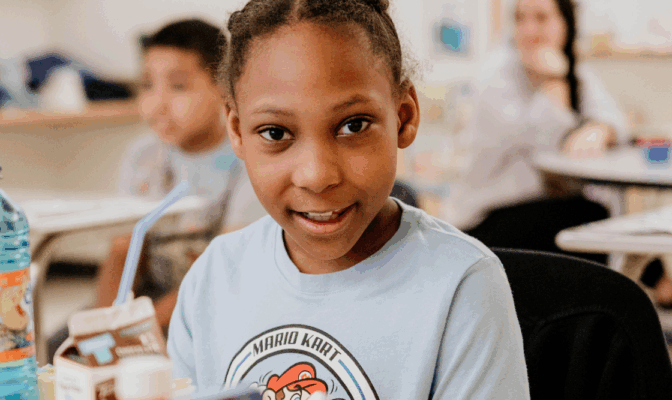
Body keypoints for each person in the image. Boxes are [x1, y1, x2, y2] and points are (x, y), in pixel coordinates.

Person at [165, 0, 530, 398]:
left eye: (352, 126)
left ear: (403, 118)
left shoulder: (461, 284)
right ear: (237, 131)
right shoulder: (213, 279)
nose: (317, 175)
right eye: (275, 133)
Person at [448, 0, 672, 322]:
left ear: (566, 23)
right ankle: (656, 295)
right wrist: (553, 81)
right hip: (486, 220)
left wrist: (599, 129)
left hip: (543, 208)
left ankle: (659, 292)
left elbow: (614, 121)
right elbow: (548, 141)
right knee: (594, 215)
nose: (529, 30)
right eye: (520, 18)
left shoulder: (575, 70)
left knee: (603, 215)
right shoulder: (497, 75)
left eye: (542, 18)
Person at [54, 19, 269, 350]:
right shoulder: (143, 154)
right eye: (147, 85)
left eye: (179, 86)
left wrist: (137, 328)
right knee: (62, 349)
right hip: (151, 297)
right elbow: (124, 249)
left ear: (225, 87)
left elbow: (218, 268)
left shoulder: (247, 156)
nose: (157, 103)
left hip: (216, 303)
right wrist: (108, 325)